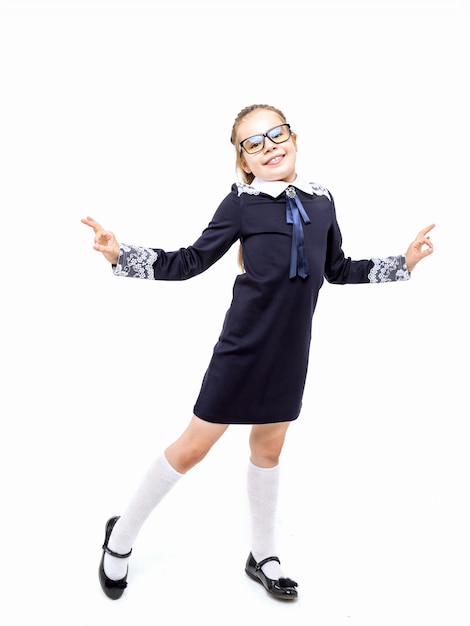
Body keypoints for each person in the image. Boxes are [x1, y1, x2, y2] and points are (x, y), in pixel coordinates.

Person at [82, 103, 434, 602]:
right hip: (242, 347)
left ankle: (263, 554)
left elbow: (338, 268)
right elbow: (191, 261)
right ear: (243, 160)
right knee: (193, 448)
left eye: (276, 134)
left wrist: (404, 262)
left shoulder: (323, 201)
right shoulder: (242, 204)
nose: (269, 146)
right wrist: (122, 255)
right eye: (254, 142)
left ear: (294, 137)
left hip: (292, 350)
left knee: (268, 449)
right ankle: (119, 538)